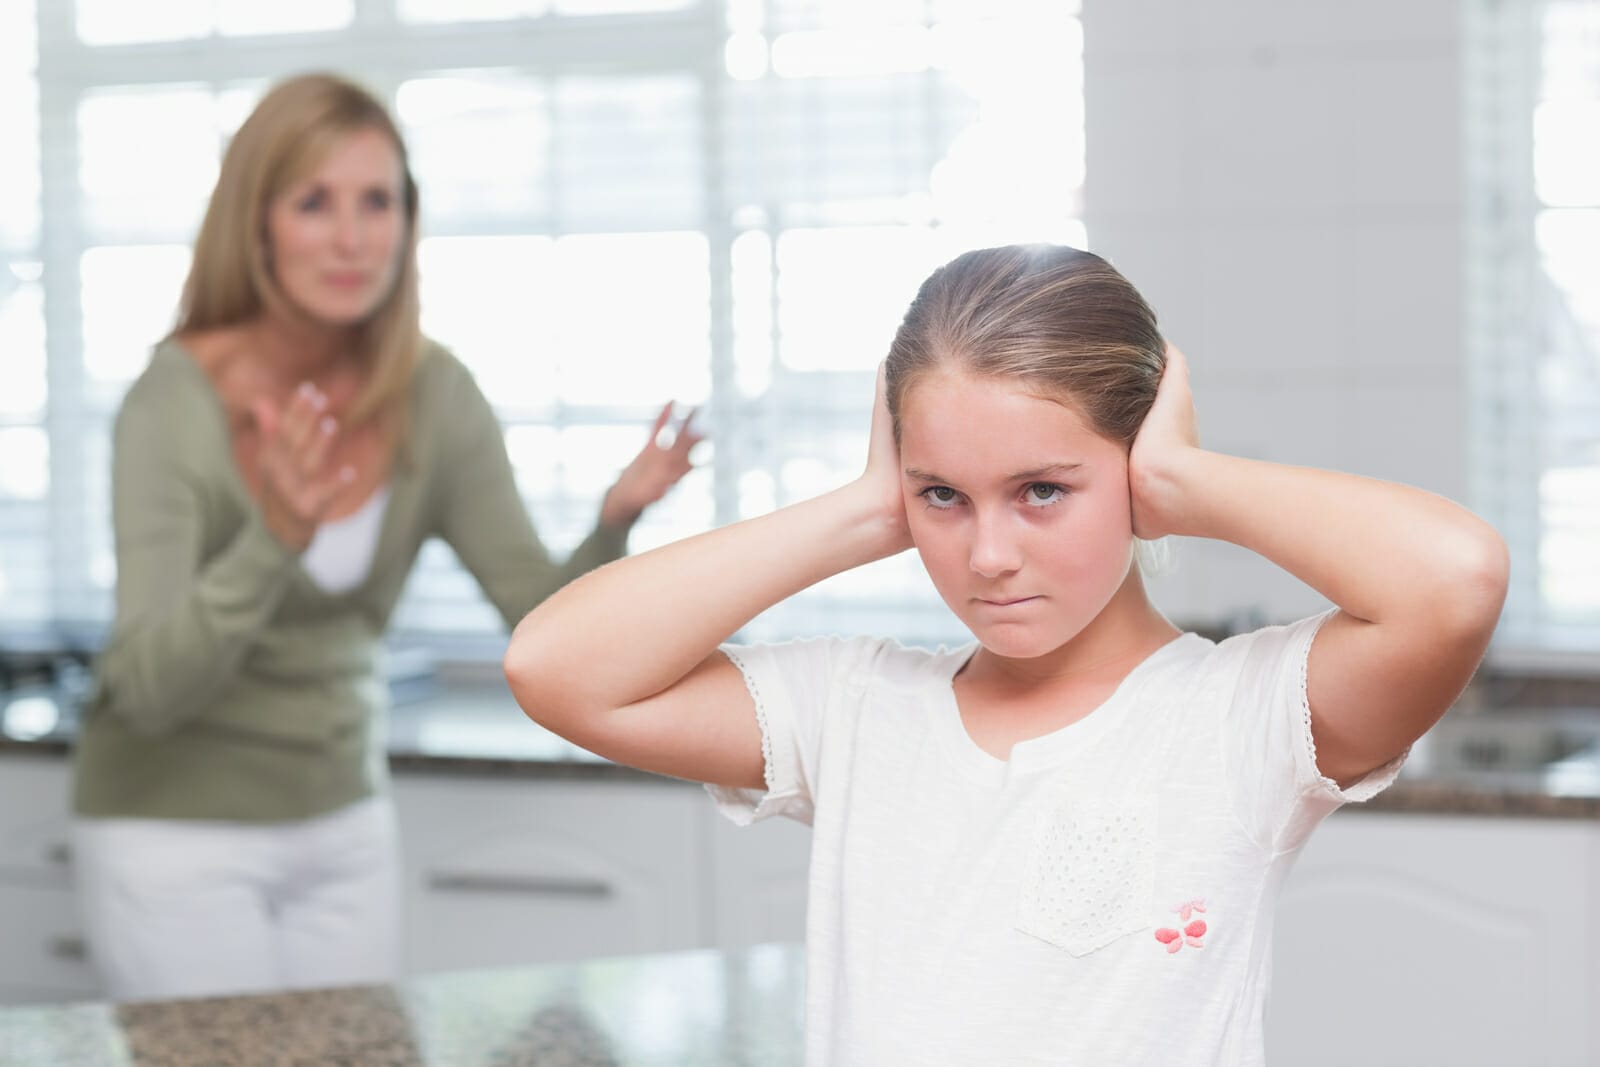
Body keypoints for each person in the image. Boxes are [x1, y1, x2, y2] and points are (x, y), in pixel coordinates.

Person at [502, 244, 1509, 1065]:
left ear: (1134, 466)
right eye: (942, 494)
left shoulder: (1238, 719)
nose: (987, 555)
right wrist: (862, 511)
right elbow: (555, 667)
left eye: (1041, 490)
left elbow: (1454, 579)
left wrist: (1185, 480)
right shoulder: (850, 709)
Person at [70, 72, 700, 1003]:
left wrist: (614, 520)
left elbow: (537, 616)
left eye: (379, 201)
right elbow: (150, 687)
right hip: (173, 830)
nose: (353, 236)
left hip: (342, 823)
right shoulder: (172, 403)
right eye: (315, 201)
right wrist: (273, 537)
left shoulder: (435, 393)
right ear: (257, 222)